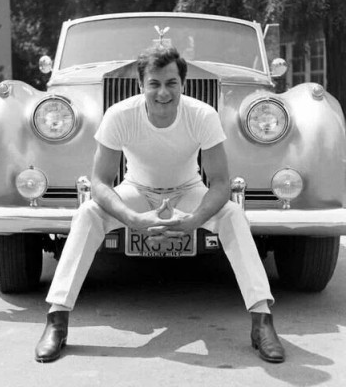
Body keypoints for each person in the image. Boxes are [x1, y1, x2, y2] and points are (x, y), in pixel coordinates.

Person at [35, 45, 285, 364]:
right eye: (154, 83)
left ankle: (262, 321)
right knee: (87, 214)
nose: (163, 92)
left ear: (183, 84)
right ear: (142, 85)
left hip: (188, 189)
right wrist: (132, 218)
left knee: (234, 215)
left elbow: (221, 183)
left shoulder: (203, 115)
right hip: (137, 190)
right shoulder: (119, 114)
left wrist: (195, 220)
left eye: (171, 83)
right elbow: (100, 182)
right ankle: (57, 320)